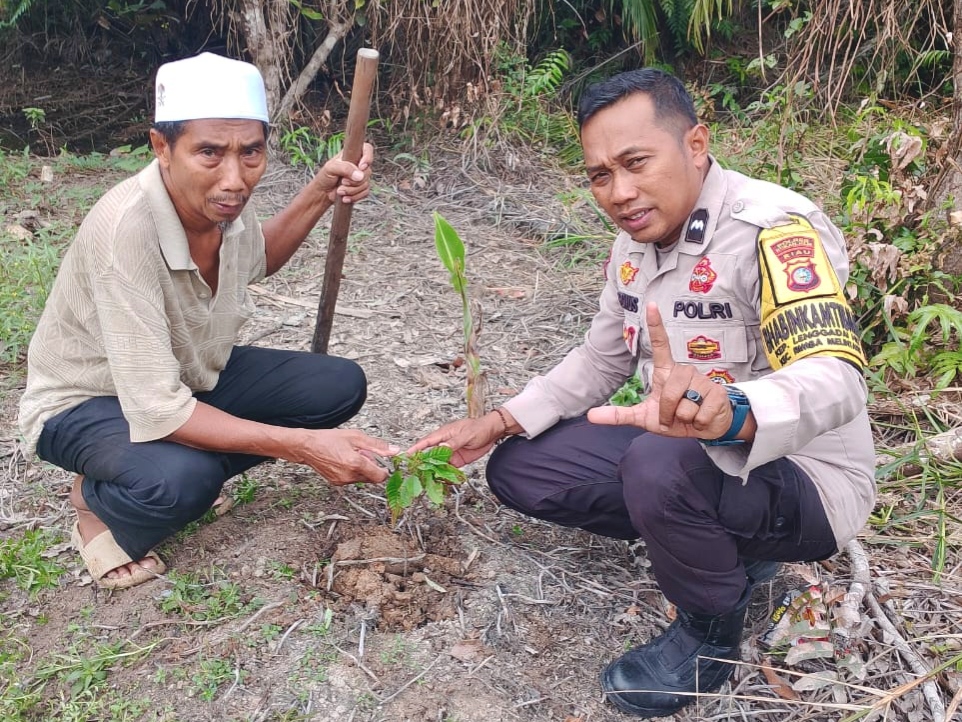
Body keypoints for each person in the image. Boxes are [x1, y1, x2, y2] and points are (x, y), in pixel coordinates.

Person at [410, 67, 875, 718]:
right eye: (600, 175)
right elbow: (600, 358)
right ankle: (723, 547)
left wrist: (733, 410)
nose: (619, 192)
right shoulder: (633, 246)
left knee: (660, 463)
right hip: (686, 449)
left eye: (635, 162)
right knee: (523, 467)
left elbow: (836, 375)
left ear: (695, 145)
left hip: (807, 479)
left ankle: (709, 633)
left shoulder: (774, 230)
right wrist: (498, 421)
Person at [19, 52, 397, 591]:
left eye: (251, 153)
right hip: (87, 401)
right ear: (161, 147)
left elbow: (260, 256)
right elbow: (155, 407)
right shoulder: (125, 230)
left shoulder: (222, 208)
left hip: (185, 378)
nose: (235, 178)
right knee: (182, 483)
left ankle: (169, 458)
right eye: (209, 153)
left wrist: (319, 191)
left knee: (336, 387)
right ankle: (94, 501)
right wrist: (304, 447)